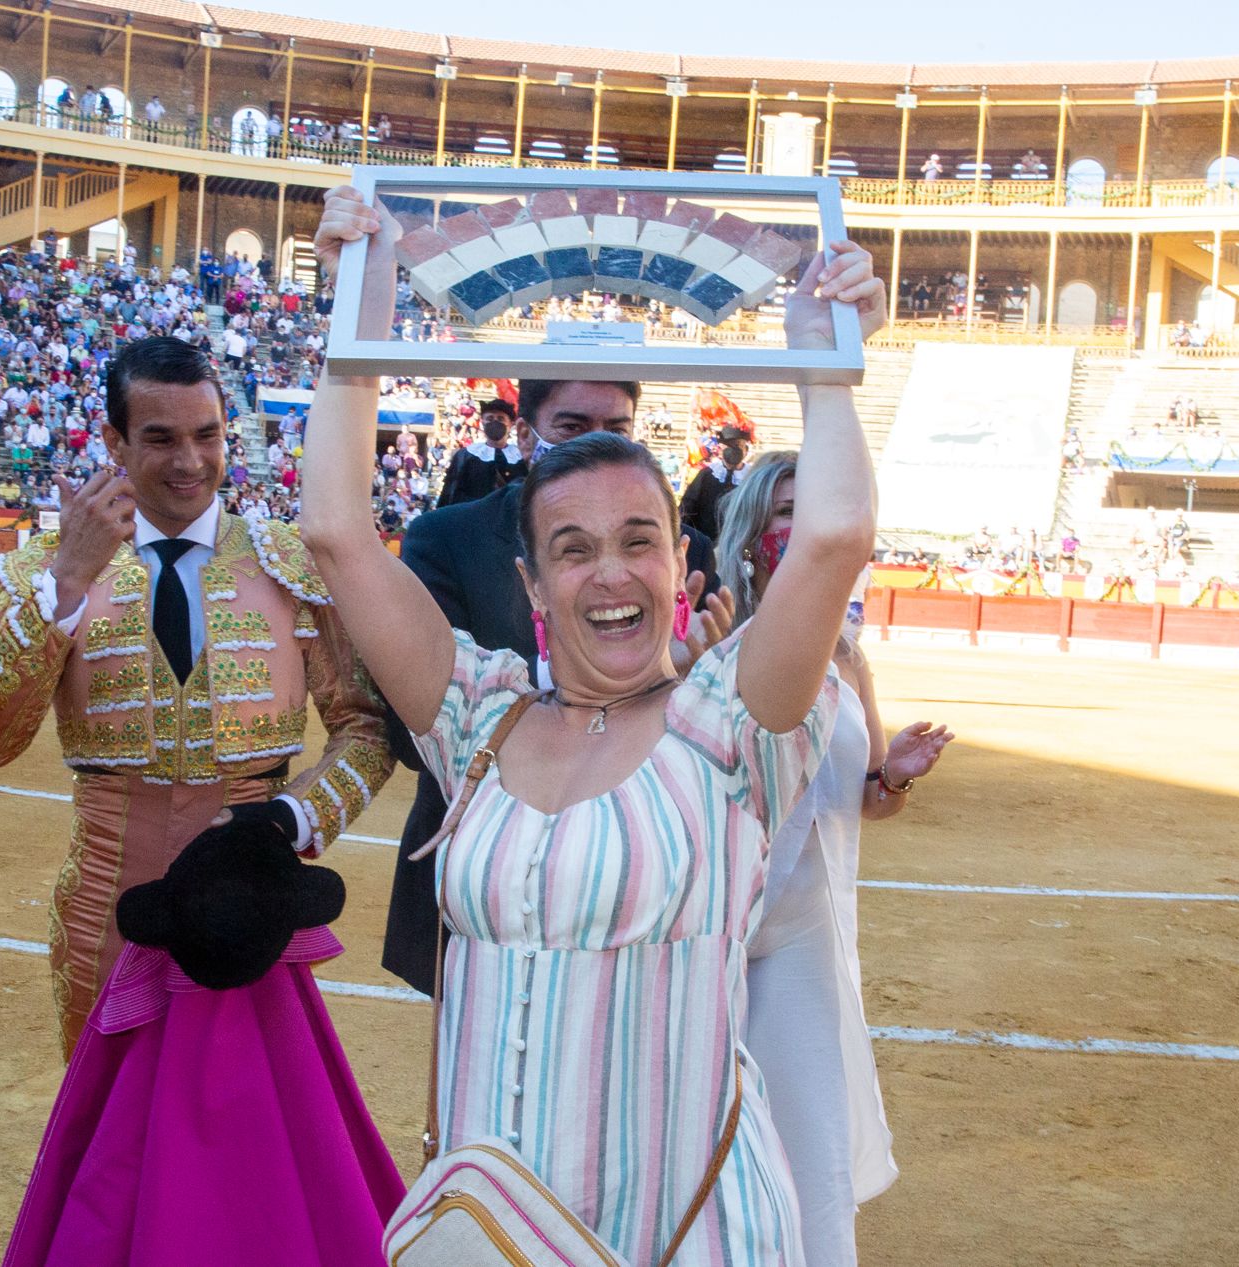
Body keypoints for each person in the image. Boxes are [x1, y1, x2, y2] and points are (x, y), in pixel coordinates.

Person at [304, 184, 886, 1264]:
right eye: (572, 549)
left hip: (688, 1235)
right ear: (532, 583)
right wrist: (360, 309)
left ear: (681, 564)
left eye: (637, 540)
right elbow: (335, 531)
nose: (608, 573)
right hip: (488, 1242)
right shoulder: (475, 715)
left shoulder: (730, 729)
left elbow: (838, 530)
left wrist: (823, 352)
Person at [0, 336, 403, 1265]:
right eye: (160, 438)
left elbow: (366, 730)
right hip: (105, 915)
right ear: (114, 441)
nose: (189, 462)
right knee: (112, 1165)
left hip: (251, 906)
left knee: (248, 1156)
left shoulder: (289, 561)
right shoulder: (53, 565)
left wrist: (289, 822)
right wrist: (69, 581)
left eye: (207, 435)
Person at [377, 373, 728, 996]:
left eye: (615, 429)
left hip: (645, 877)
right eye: (571, 426)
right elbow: (411, 735)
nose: (591, 443)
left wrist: (667, 677)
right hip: (484, 872)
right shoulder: (444, 537)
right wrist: (609, 677)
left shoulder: (689, 547)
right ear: (525, 432)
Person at [716, 452, 953, 1264]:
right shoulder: (716, 640)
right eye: (784, 511)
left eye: (809, 507)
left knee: (811, 1140)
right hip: (726, 930)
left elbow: (865, 796)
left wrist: (896, 777)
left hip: (816, 933)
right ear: (751, 536)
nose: (800, 524)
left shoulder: (848, 652)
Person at [434, 397, 525, 508]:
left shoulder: (522, 457)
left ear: (510, 424)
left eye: (501, 419)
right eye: (490, 418)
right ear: (482, 422)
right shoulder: (466, 455)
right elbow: (452, 493)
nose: (495, 422)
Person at [679, 423, 748, 538]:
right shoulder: (707, 474)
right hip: (706, 540)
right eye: (729, 445)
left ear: (745, 450)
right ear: (721, 448)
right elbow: (688, 507)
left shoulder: (752, 477)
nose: (734, 449)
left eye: (738, 445)